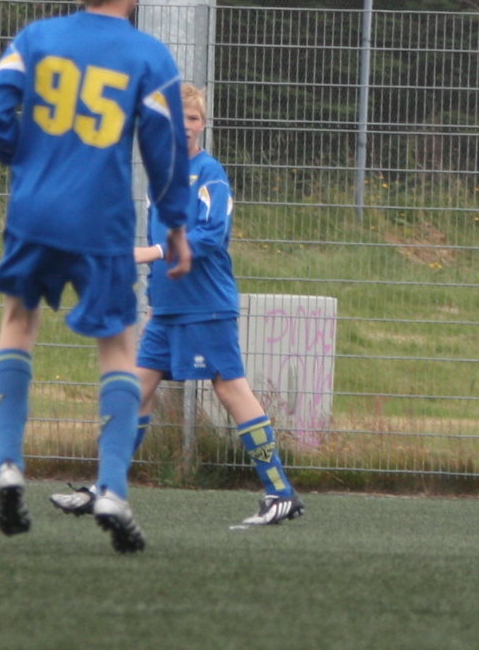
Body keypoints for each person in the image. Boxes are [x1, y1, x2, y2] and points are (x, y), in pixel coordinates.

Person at [0, 0, 192, 554]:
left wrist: (26, 162)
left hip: (34, 213)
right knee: (118, 347)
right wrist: (176, 224)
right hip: (102, 221)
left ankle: (8, 464)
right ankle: (113, 488)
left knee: (18, 323)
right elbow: (166, 152)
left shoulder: (36, 39)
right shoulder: (150, 56)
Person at [47, 84, 304, 531]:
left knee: (231, 389)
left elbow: (210, 237)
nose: (185, 126)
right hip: (167, 311)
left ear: (203, 125)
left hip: (206, 305)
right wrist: (153, 303)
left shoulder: (210, 174)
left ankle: (280, 492)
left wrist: (148, 253)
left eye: (193, 118)